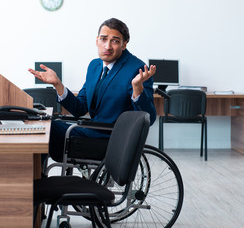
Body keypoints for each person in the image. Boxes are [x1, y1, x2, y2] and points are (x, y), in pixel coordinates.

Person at [29, 18, 156, 162]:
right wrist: (58, 84)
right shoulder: (94, 66)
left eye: (114, 41)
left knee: (46, 128)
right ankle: (37, 178)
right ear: (97, 41)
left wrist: (137, 88)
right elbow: (79, 108)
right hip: (91, 131)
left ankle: (36, 181)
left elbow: (149, 118)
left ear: (124, 44)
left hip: (112, 139)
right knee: (43, 124)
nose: (107, 46)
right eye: (103, 39)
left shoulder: (136, 69)